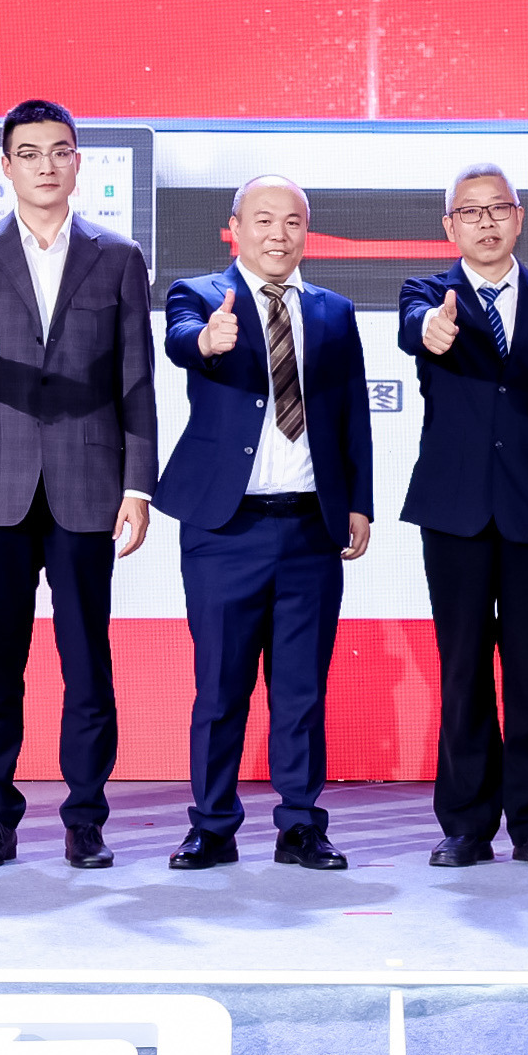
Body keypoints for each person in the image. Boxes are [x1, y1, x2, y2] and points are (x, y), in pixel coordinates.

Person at [0, 98, 160, 869]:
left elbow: (137, 377)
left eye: (59, 151)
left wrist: (138, 484)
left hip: (89, 481)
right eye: (29, 153)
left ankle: (85, 817)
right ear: (6, 166)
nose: (45, 165)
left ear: (78, 162)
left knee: (87, 660)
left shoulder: (116, 255)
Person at [158, 176, 374, 870]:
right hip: (225, 530)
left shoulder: (334, 311)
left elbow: (351, 411)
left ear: (306, 231)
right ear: (235, 227)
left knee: (301, 690)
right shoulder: (199, 295)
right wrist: (208, 339)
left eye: (292, 222)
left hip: (311, 526)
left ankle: (301, 825)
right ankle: (212, 825)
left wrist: (359, 501)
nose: (278, 234)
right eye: (263, 220)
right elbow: (181, 340)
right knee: (221, 688)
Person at [398, 163, 528, 868]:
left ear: (519, 218)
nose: (485, 222)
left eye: (498, 209)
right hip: (453, 511)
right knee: (462, 671)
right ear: (449, 226)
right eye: (470, 211)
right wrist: (431, 328)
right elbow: (416, 330)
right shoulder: (427, 293)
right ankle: (465, 824)